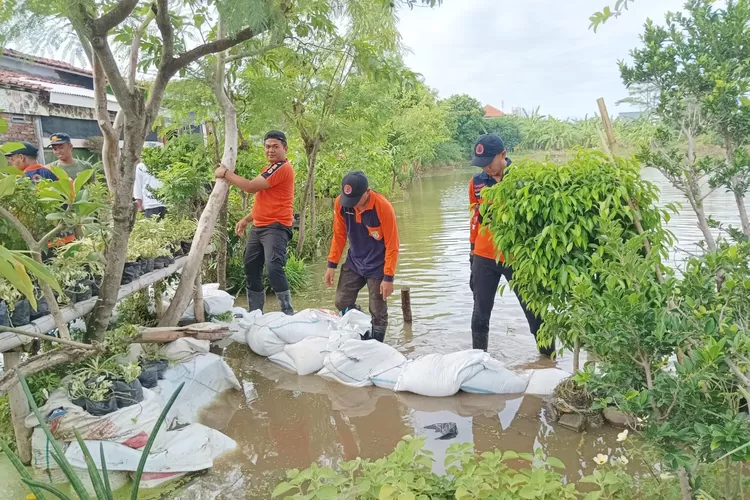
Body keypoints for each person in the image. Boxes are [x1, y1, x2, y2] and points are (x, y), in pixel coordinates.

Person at [469, 134, 554, 356]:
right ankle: (478, 360)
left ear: (503, 155)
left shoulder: (525, 179)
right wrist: (472, 254)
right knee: (479, 316)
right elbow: (474, 219)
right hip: (484, 256)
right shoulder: (477, 183)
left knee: (536, 315)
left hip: (519, 258)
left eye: (489, 162)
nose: (486, 168)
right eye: (481, 164)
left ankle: (548, 364)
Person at [215, 130, 295, 316]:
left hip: (276, 226)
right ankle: (255, 312)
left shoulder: (281, 167)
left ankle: (287, 311)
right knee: (251, 266)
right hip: (259, 225)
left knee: (274, 266)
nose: (270, 150)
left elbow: (250, 187)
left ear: (285, 148)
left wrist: (226, 173)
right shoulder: (269, 169)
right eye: (267, 147)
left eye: (275, 146)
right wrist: (246, 219)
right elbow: (266, 202)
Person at [324, 171, 400, 343]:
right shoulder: (342, 204)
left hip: (378, 266)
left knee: (378, 311)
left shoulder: (383, 207)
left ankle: (377, 345)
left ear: (367, 192)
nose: (353, 205)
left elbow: (392, 244)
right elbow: (339, 235)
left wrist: (388, 277)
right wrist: (331, 265)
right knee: (342, 301)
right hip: (355, 262)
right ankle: (362, 332)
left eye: (356, 200)